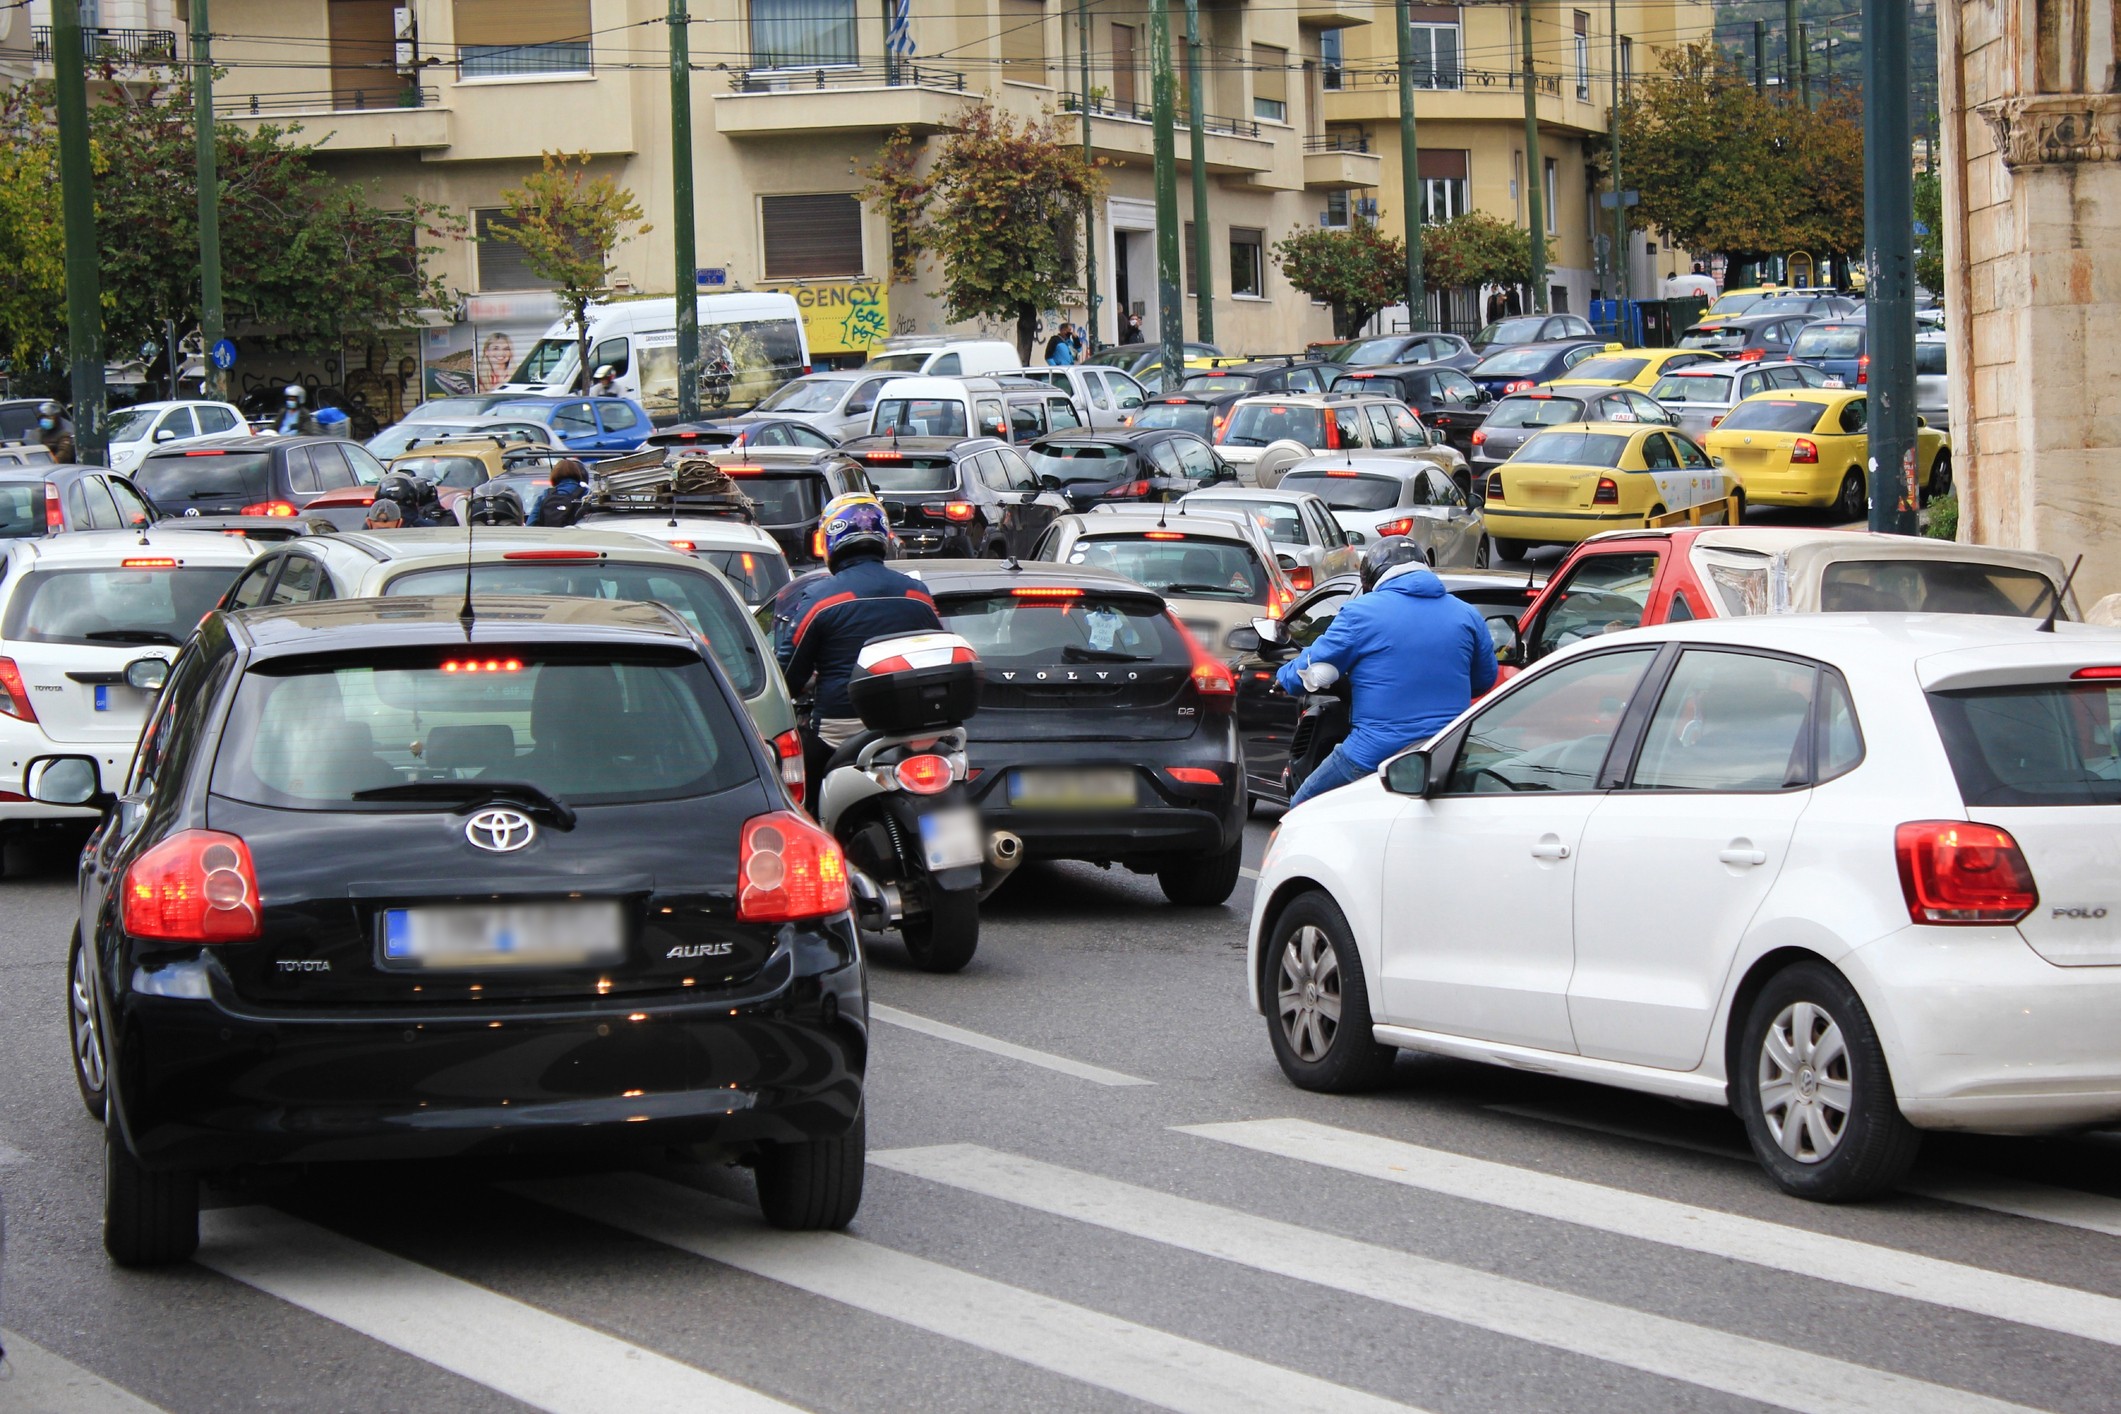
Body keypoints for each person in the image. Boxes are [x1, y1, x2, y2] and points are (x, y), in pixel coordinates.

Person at [1274, 536, 1497, 807]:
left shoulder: (1360, 613)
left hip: (1373, 753)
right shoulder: (1467, 614)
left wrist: (1284, 678)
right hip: (1447, 751)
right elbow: (1484, 679)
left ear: (1373, 578)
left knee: (1302, 808)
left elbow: (1313, 662)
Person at [777, 495, 944, 786]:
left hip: (839, 730)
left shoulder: (821, 598)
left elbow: (788, 674)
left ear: (831, 539)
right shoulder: (917, 593)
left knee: (797, 790)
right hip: (908, 728)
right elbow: (940, 653)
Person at [530, 458, 590, 527]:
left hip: (550, 536)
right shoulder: (586, 493)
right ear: (578, 473)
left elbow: (531, 523)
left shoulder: (546, 494)